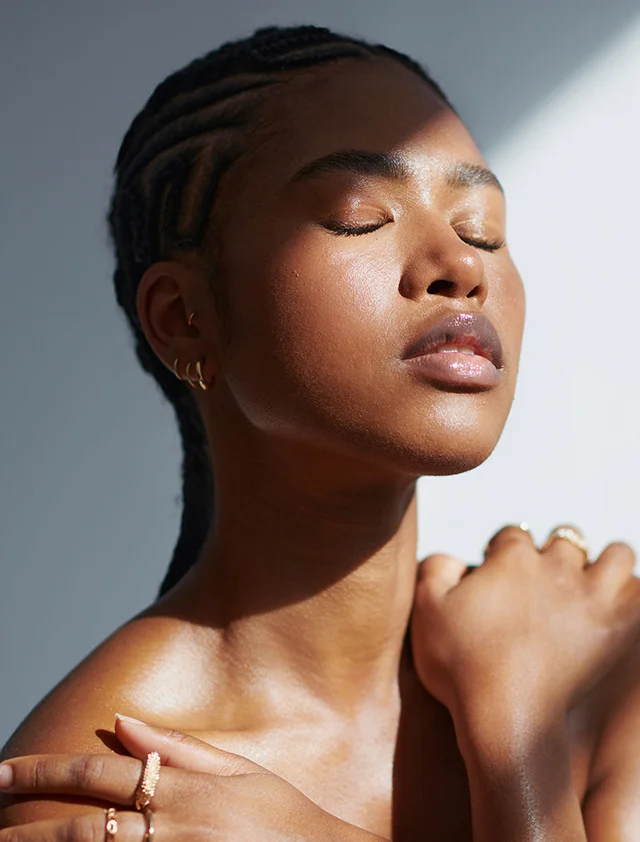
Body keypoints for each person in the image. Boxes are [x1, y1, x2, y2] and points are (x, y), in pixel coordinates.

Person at [1, 23, 640, 842]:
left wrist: (518, 720)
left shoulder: (582, 661)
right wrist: (525, 741)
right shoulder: (109, 792)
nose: (464, 267)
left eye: (483, 228)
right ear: (186, 318)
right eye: (360, 215)